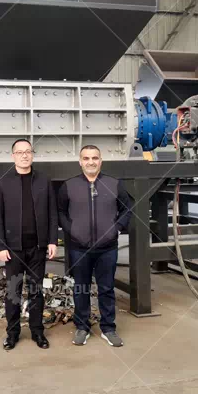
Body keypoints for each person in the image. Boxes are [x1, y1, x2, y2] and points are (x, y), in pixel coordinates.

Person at [57, 144, 132, 347]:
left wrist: (116, 229)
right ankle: (82, 327)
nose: (91, 162)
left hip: (107, 248)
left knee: (106, 288)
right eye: (86, 158)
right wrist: (72, 231)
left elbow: (127, 209)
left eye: (95, 158)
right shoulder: (69, 186)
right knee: (81, 288)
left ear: (101, 161)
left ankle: (109, 328)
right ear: (80, 161)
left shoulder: (114, 184)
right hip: (79, 248)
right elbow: (60, 212)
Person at [0, 139, 58, 350]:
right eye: (19, 152)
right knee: (14, 291)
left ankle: (38, 332)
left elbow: (52, 213)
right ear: (13, 156)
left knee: (36, 291)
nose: (24, 155)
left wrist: (52, 241)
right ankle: (12, 334)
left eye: (28, 152)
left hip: (38, 246)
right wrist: (0, 246)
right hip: (13, 249)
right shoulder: (3, 183)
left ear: (32, 154)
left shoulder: (43, 181)